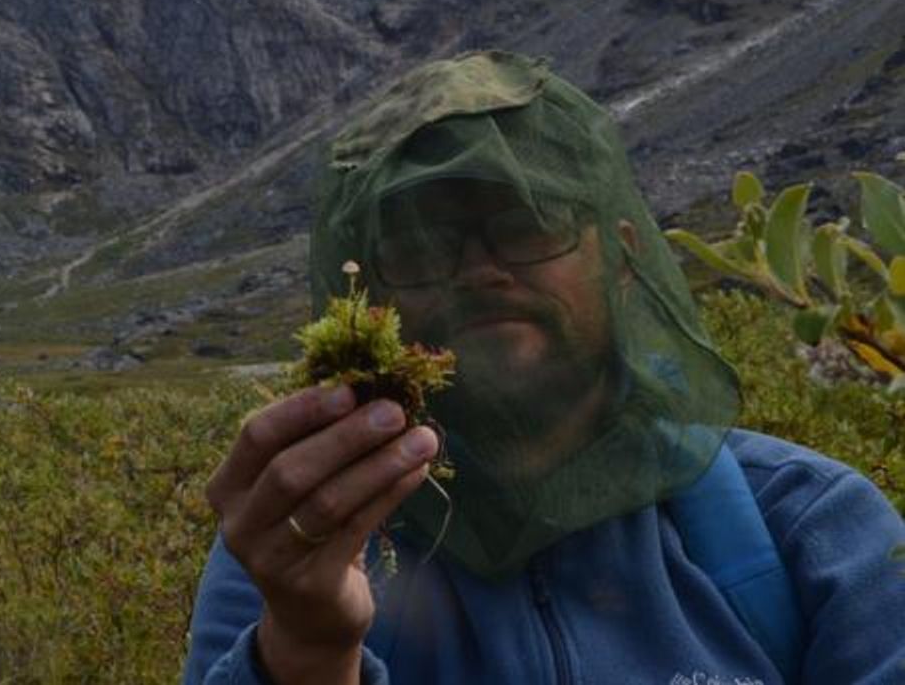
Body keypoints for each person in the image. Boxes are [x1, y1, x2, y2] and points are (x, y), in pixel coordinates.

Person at [182, 51, 905, 684]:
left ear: (622, 256)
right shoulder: (298, 540)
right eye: (424, 241)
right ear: (372, 298)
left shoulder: (811, 530)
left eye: (529, 218)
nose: (479, 269)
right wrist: (308, 650)